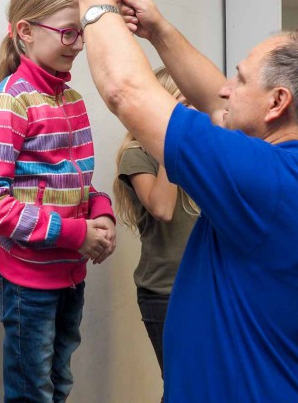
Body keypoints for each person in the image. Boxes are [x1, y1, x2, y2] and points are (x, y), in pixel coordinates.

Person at [66, 0, 298, 402]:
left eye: (240, 78)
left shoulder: (269, 181)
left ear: (277, 102)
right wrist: (160, 31)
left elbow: (125, 91)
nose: (227, 88)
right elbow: (214, 102)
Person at [0, 0, 116, 403]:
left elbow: (77, 184)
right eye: (68, 32)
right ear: (26, 31)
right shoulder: (7, 102)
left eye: (81, 32)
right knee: (32, 392)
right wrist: (76, 233)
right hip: (27, 282)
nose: (78, 43)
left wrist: (101, 212)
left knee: (60, 383)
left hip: (70, 274)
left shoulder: (72, 101)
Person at [113, 68, 199, 389]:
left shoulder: (196, 153)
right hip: (164, 292)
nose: (193, 113)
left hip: (203, 284)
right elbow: (162, 208)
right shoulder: (137, 154)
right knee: (181, 386)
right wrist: (171, 141)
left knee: (205, 385)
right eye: (184, 105)